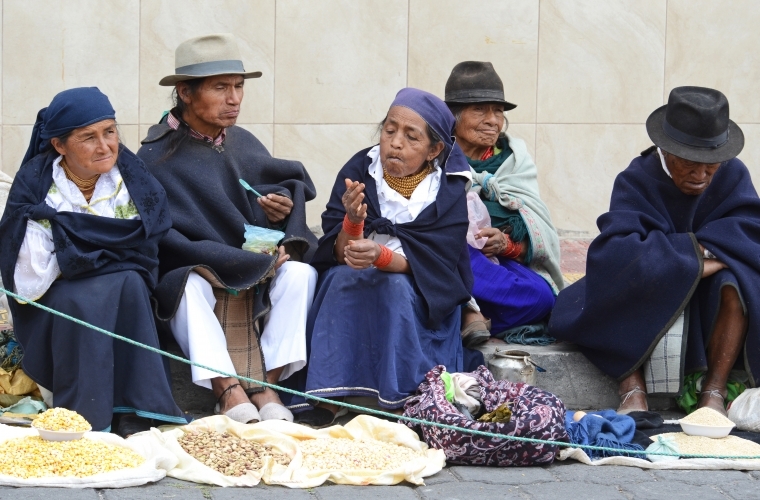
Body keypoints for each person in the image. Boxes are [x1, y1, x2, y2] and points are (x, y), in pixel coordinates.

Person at [138, 34, 318, 424]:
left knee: (301, 274)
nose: (234, 99)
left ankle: (267, 386)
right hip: (199, 268)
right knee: (185, 287)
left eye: (238, 87)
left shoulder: (242, 142)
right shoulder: (154, 157)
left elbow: (269, 195)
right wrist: (232, 259)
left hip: (256, 268)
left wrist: (279, 219)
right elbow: (164, 238)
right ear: (185, 92)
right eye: (220, 87)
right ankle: (228, 389)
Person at [549, 86, 759, 416]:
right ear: (666, 149)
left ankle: (714, 391)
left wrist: (698, 260)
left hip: (710, 296)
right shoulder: (637, 177)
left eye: (711, 166)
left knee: (737, 281)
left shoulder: (733, 173)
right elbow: (618, 249)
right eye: (689, 164)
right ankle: (632, 388)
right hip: (652, 284)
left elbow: (747, 230)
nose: (701, 176)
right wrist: (695, 257)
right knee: (622, 271)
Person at [0, 87, 187, 435]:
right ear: (59, 145)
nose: (105, 146)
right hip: (53, 299)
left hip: (122, 285)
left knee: (130, 283)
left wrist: (74, 247)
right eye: (88, 137)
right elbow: (30, 277)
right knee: (84, 297)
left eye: (110, 132)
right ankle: (84, 414)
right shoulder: (38, 187)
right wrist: (90, 258)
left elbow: (143, 251)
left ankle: (136, 408)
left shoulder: (131, 181)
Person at [294, 88, 482, 428]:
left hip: (419, 287)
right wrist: (352, 223)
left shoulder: (449, 187)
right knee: (340, 279)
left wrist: (382, 257)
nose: (395, 142)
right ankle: (332, 394)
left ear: (434, 150)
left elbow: (439, 264)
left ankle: (400, 396)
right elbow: (338, 252)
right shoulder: (361, 168)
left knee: (395, 287)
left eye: (411, 137)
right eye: (389, 129)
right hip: (358, 270)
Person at [444, 61, 563, 347]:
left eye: (497, 111)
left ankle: (468, 317)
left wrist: (506, 244)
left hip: (493, 263)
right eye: (479, 110)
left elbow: (534, 226)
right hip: (449, 258)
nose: (492, 120)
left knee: (542, 297)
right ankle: (463, 312)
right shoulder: (435, 153)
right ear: (453, 117)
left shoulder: (514, 161)